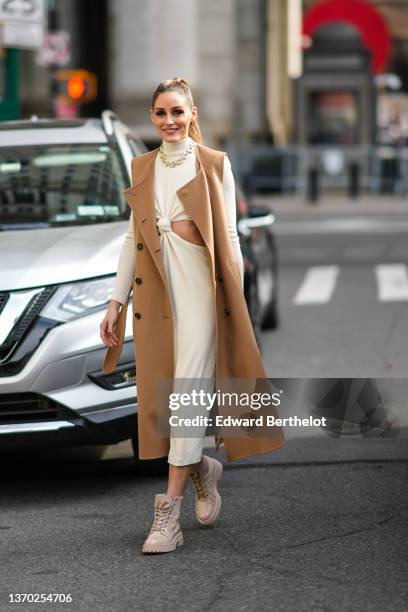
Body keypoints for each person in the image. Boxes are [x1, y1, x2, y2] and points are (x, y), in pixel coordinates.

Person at [100, 77, 281, 555]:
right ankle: (202, 468)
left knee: (186, 394)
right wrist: (115, 302)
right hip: (159, 296)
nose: (169, 121)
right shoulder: (142, 167)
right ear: (153, 117)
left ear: (193, 113)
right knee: (166, 401)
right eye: (161, 113)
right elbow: (130, 240)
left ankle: (167, 515)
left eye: (178, 112)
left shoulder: (214, 165)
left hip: (203, 291)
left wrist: (235, 309)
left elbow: (230, 238)